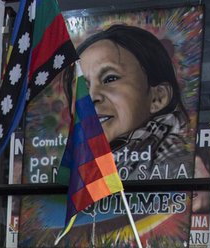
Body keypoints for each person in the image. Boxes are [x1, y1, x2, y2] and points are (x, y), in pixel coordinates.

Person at [76, 25, 195, 182]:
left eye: (110, 79)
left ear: (158, 98)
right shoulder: (91, 163)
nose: (91, 97)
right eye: (83, 87)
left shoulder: (173, 163)